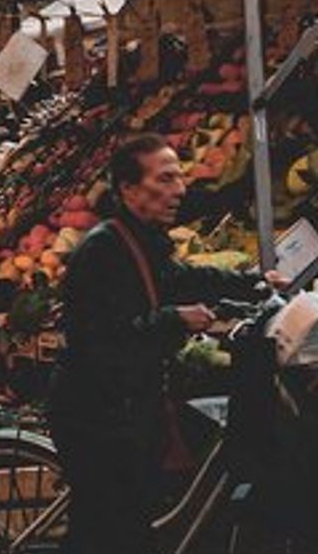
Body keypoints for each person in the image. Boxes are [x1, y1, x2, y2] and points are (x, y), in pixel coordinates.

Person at [47, 132, 280, 554]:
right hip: (95, 416)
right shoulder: (103, 250)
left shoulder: (142, 239)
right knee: (109, 531)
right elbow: (100, 338)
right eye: (166, 179)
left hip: (129, 409)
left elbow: (185, 277)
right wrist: (175, 319)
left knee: (119, 529)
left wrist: (253, 283)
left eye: (179, 178)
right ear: (129, 189)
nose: (179, 189)